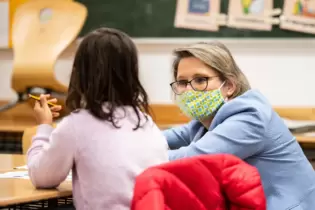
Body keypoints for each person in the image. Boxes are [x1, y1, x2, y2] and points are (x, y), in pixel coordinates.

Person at [27, 27, 169, 210]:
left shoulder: (76, 125)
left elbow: (42, 177)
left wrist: (44, 126)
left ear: (80, 73)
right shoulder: (146, 122)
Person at [164, 41, 315, 210]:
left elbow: (191, 159)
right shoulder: (205, 121)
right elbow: (163, 137)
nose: (189, 90)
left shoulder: (250, 117)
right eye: (183, 83)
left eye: (200, 80)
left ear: (229, 86)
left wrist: (138, 154)